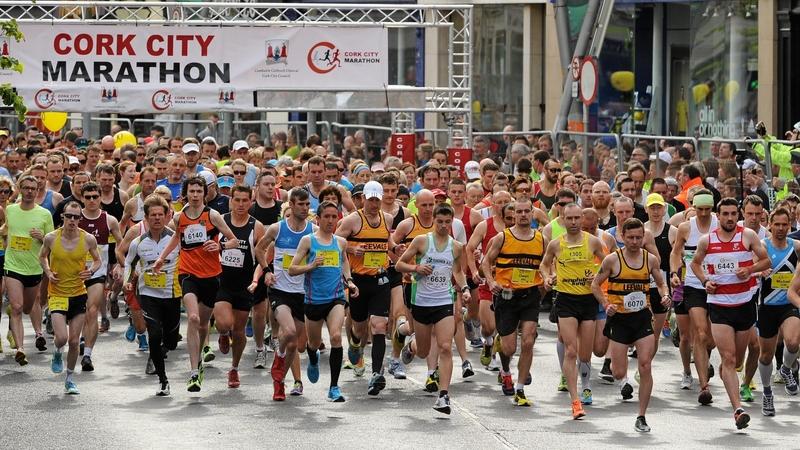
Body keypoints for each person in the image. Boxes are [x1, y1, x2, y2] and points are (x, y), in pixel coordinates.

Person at [151, 177, 240, 392]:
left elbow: (234, 240)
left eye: (199, 191)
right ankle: (193, 372)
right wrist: (162, 257)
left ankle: (198, 361)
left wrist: (219, 247)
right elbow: (175, 238)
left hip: (211, 275)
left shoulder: (213, 216)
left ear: (205, 193)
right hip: (188, 273)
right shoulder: (180, 217)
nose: (195, 195)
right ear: (185, 194)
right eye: (191, 191)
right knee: (192, 318)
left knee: (202, 324)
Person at [690, 197, 771, 429]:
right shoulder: (707, 240)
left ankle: (735, 383)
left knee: (737, 359)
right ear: (718, 216)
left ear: (738, 215)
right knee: (728, 357)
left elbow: (765, 261)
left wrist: (750, 269)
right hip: (719, 305)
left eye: (733, 214)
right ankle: (738, 409)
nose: (729, 218)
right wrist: (705, 281)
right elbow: (695, 264)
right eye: (725, 214)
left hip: (744, 303)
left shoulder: (748, 236)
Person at [592, 218, 671, 433]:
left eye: (639, 237)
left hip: (642, 318)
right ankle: (624, 378)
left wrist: (665, 296)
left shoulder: (650, 260)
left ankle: (642, 415)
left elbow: (662, 283)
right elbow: (595, 285)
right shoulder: (611, 260)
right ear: (623, 237)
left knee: (645, 364)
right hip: (620, 320)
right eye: (631, 238)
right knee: (618, 372)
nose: (635, 242)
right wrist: (606, 304)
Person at [396, 203, 470, 414]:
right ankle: (411, 346)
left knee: (446, 347)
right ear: (434, 221)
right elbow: (399, 265)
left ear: (452, 222)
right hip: (421, 301)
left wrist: (464, 288)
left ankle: (444, 396)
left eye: (448, 222)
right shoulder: (422, 241)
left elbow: (457, 271)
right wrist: (416, 267)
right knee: (424, 351)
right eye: (440, 222)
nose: (444, 226)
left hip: (444, 301)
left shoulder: (456, 246)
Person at [540, 203, 607, 418]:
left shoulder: (592, 242)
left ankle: (586, 384)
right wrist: (547, 278)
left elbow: (609, 264)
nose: (573, 222)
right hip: (566, 300)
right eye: (569, 218)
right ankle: (575, 400)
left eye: (577, 218)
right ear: (563, 218)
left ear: (581, 219)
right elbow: (544, 264)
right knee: (571, 350)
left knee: (585, 354)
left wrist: (597, 276)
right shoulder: (555, 243)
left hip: (588, 301)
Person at [288, 201, 359, 403]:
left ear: (338, 219)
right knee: (313, 343)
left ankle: (334, 388)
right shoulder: (308, 241)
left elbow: (344, 262)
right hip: (313, 299)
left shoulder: (340, 242)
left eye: (333, 216)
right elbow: (292, 269)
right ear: (318, 219)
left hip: (336, 297)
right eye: (326, 216)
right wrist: (310, 266)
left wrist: (350, 281)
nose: (330, 220)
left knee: (336, 337)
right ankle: (312, 358)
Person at [481, 198, 548, 406]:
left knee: (528, 340)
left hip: (530, 295)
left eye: (527, 211)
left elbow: (546, 264)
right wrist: (491, 281)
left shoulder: (541, 239)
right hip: (507, 296)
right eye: (519, 212)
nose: (523, 215)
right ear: (513, 215)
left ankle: (520, 389)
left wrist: (548, 278)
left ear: (532, 213)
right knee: (509, 348)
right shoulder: (503, 237)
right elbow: (486, 261)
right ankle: (506, 370)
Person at [255, 188, 316, 400]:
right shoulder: (277, 229)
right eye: (301, 204)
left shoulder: (313, 231)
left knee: (294, 344)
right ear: (291, 205)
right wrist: (267, 271)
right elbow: (259, 249)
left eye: (308, 204)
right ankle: (278, 357)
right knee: (288, 332)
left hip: (303, 292)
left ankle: (279, 383)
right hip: (280, 290)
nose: (305, 208)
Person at [335, 181, 393, 394]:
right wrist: (351, 247)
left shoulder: (387, 219)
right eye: (371, 199)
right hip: (358, 281)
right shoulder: (353, 220)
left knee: (379, 326)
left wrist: (396, 247)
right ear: (362, 199)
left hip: (380, 280)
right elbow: (333, 242)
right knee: (360, 330)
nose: (375, 203)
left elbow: (388, 241)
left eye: (378, 199)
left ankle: (377, 374)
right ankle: (355, 342)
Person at [39, 202, 102, 394]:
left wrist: (91, 270)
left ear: (80, 219)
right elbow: (42, 257)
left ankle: (69, 379)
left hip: (78, 293)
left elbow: (98, 260)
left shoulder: (88, 239)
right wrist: (48, 272)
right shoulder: (51, 238)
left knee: (75, 341)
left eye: (76, 217)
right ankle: (57, 352)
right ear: (63, 217)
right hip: (57, 293)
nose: (73, 220)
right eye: (69, 216)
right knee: (62, 338)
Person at [122, 195, 181, 396]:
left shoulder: (175, 239)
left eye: (160, 215)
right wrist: (127, 281)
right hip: (148, 294)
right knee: (154, 335)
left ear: (167, 216)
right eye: (152, 215)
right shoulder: (138, 242)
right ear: (145, 218)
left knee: (171, 342)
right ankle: (163, 380)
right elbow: (129, 263)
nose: (157, 218)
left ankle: (166, 346)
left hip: (172, 294)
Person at [670, 189, 718, 404]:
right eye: (700, 209)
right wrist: (673, 273)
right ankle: (703, 385)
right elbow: (674, 252)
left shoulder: (721, 223)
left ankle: (705, 358)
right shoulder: (686, 227)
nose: (704, 213)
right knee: (699, 334)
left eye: (708, 209)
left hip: (719, 286)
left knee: (711, 340)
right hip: (693, 285)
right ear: (693, 208)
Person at [4, 175, 55, 365]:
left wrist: (41, 237)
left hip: (34, 268)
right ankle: (20, 349)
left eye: (33, 189)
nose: (29, 192)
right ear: (20, 188)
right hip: (12, 265)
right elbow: (6, 229)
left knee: (26, 308)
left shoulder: (44, 214)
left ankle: (15, 309)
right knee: (17, 308)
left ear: (38, 190)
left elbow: (51, 242)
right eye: (26, 188)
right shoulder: (11, 210)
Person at [77, 181, 124, 371]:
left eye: (95, 197)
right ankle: (80, 337)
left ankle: (87, 355)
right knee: (79, 312)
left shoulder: (109, 220)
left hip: (97, 272)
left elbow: (121, 245)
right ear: (82, 198)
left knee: (92, 309)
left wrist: (120, 264)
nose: (91, 200)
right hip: (74, 274)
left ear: (100, 198)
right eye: (87, 197)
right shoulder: (74, 218)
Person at [760, 208, 800, 416]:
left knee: (793, 341)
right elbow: (749, 267)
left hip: (789, 304)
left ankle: (785, 369)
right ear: (771, 225)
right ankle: (767, 393)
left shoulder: (797, 247)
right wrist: (759, 271)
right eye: (777, 224)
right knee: (765, 355)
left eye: (785, 225)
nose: (781, 228)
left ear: (790, 225)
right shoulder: (762, 246)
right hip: (766, 306)